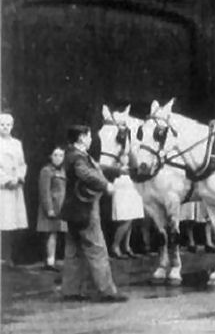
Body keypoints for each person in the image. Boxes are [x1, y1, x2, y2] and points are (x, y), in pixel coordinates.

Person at [60, 124, 127, 302]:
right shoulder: (78, 157)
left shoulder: (74, 154)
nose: (91, 139)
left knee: (74, 251)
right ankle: (107, 291)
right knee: (97, 249)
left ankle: (71, 290)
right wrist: (106, 185)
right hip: (86, 208)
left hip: (73, 210)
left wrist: (119, 171)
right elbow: (86, 174)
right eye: (89, 136)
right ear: (81, 137)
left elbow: (96, 168)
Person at [0, 112, 28, 266]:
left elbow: (22, 163)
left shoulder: (17, 143)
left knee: (11, 222)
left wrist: (19, 177)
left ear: (12, 126)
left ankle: (8, 256)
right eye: (2, 124)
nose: (5, 127)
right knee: (2, 220)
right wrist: (6, 180)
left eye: (8, 125)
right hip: (2, 188)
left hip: (15, 187)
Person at [37, 146, 67, 271]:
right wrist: (49, 208)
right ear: (51, 156)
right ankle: (49, 262)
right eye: (55, 155)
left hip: (62, 207)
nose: (58, 158)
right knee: (51, 233)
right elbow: (44, 191)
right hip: (52, 207)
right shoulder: (47, 171)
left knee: (58, 233)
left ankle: (56, 260)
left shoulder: (64, 171)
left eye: (61, 155)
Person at [109, 155, 144, 259]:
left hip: (132, 190)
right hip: (122, 191)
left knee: (131, 219)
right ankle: (115, 246)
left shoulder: (133, 165)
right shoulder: (115, 165)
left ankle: (126, 246)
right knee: (126, 220)